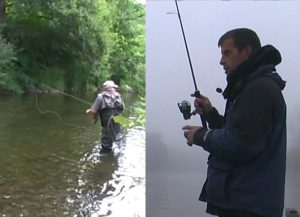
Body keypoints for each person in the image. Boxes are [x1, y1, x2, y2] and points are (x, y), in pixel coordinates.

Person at [182, 28, 287, 217]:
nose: (221, 61)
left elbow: (239, 144)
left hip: (249, 207)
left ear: (246, 52)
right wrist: (212, 115)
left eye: (227, 53)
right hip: (245, 203)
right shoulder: (250, 86)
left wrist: (200, 135)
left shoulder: (259, 89)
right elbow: (242, 132)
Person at [86, 80, 124, 152]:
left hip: (107, 124)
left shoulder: (100, 97)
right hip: (118, 122)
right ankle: (111, 158)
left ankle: (106, 158)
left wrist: (88, 110)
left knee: (106, 144)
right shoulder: (118, 96)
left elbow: (93, 111)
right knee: (114, 138)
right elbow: (122, 109)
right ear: (113, 88)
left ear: (105, 88)